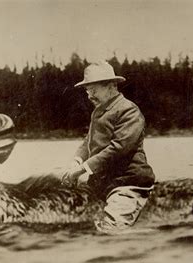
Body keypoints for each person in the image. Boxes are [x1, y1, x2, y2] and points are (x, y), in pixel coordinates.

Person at [61, 61, 155, 233]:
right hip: (102, 184)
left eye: (94, 89)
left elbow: (119, 148)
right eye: (87, 90)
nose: (89, 95)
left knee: (111, 229)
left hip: (127, 183)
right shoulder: (99, 111)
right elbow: (88, 140)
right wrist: (76, 160)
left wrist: (82, 169)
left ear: (112, 86)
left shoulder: (129, 110)